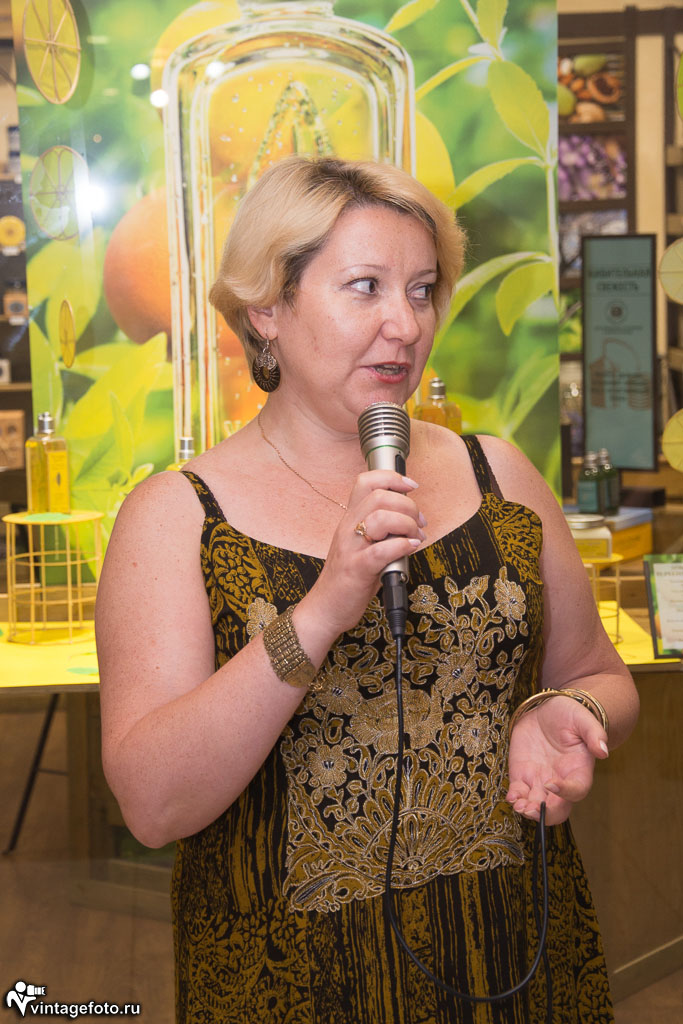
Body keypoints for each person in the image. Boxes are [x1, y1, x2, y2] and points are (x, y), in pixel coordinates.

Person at [96, 156, 639, 1024]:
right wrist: (320, 611)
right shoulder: (177, 515)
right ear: (266, 309)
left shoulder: (495, 474)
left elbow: (599, 674)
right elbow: (153, 805)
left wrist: (567, 712)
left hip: (511, 957)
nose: (404, 325)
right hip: (293, 984)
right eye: (365, 287)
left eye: (421, 291)